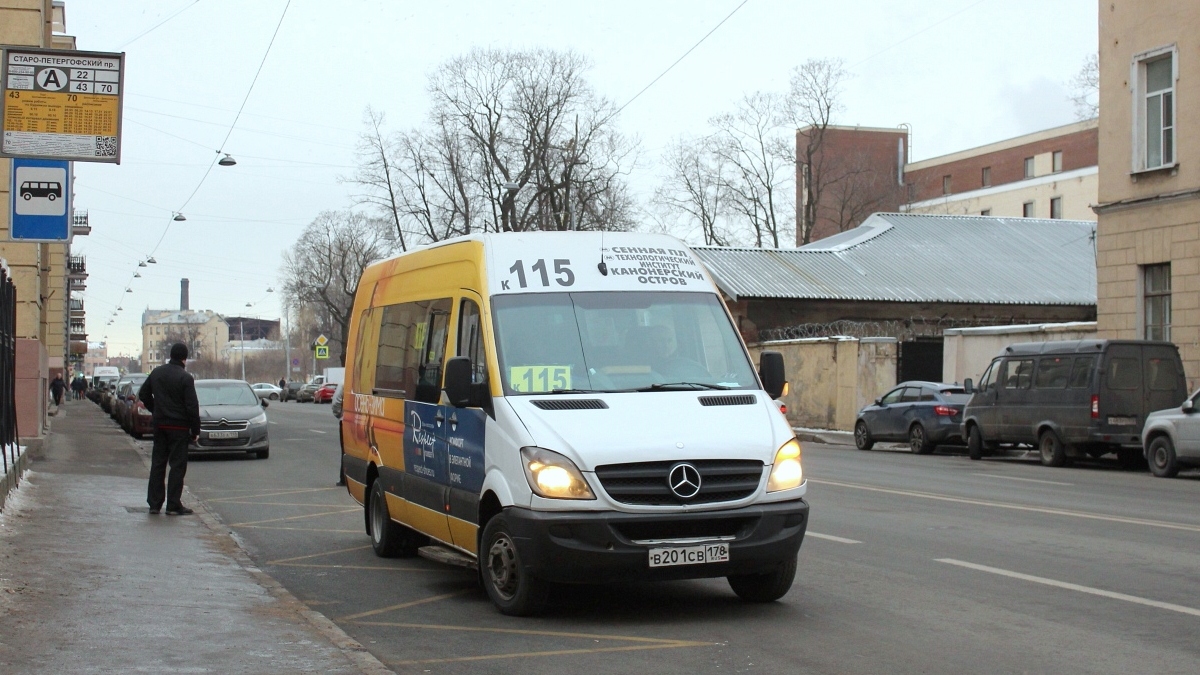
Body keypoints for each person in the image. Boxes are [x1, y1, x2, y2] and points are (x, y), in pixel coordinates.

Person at [138, 343, 202, 516]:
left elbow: (143, 394)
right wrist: (195, 430)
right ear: (184, 358)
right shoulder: (185, 378)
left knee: (158, 463)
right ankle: (173, 504)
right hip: (179, 427)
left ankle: (154, 503)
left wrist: (156, 409)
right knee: (177, 466)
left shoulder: (156, 373)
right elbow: (191, 406)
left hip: (160, 425)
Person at [331, 382, 346, 486]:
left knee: (345, 450)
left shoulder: (345, 382)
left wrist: (340, 415)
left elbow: (336, 403)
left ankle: (344, 478)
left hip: (346, 420)